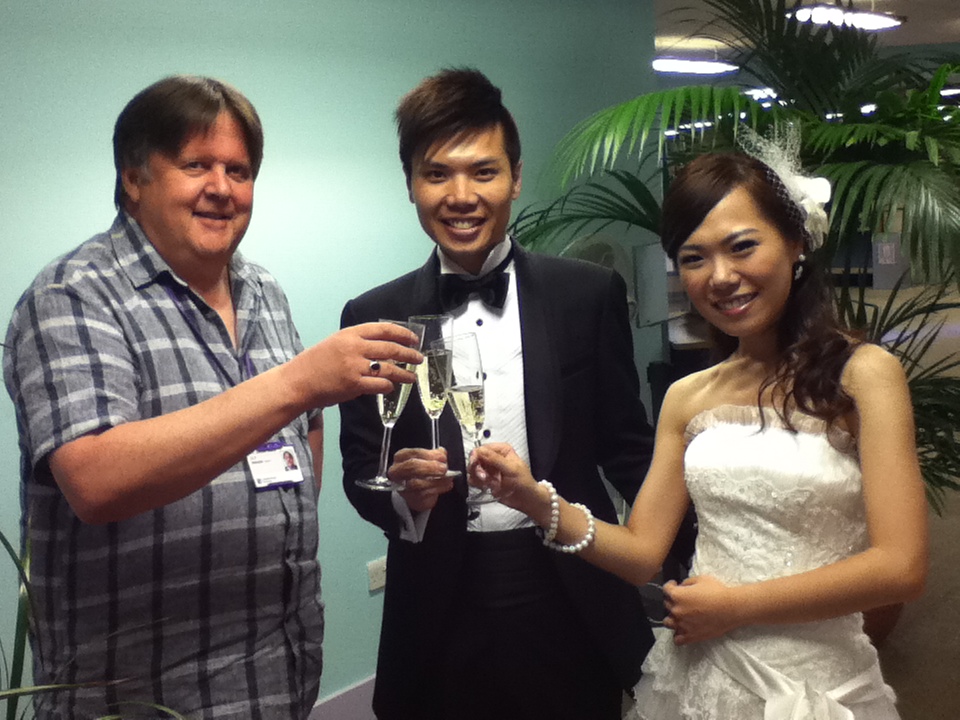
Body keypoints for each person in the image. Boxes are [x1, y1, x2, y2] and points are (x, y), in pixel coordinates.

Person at [3, 75, 421, 720]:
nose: (222, 188)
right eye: (195, 165)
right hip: (146, 699)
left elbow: (305, 424)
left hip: (281, 676)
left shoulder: (263, 290)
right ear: (134, 177)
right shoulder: (71, 296)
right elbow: (95, 479)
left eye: (239, 170)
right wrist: (297, 382)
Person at [470, 150, 929, 719]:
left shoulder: (863, 375)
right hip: (699, 676)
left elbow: (901, 566)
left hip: (816, 683)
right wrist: (537, 501)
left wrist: (736, 607)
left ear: (796, 242)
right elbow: (642, 555)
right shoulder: (688, 396)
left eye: (742, 246)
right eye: (694, 258)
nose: (721, 277)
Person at [338, 68, 656, 720]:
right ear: (410, 184)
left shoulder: (586, 295)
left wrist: (683, 558)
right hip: (439, 602)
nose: (461, 196)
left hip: (569, 585)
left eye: (483, 172)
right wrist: (403, 496)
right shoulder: (372, 317)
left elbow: (629, 450)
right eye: (437, 174)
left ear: (515, 177)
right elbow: (361, 469)